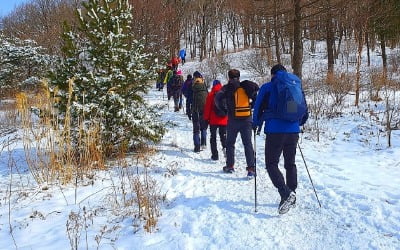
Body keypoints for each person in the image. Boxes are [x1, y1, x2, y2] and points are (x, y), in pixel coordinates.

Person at [252, 64, 308, 214]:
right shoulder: (294, 86)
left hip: (275, 131)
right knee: (290, 164)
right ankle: (292, 193)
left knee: (271, 164)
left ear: (272, 75)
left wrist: (255, 123)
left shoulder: (268, 87)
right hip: (293, 130)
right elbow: (303, 109)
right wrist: (296, 123)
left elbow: (258, 108)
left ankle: (285, 193)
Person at [215, 69, 259, 177]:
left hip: (232, 120)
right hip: (247, 119)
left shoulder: (226, 88)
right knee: (247, 144)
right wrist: (250, 108)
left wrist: (225, 110)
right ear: (239, 77)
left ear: (229, 77)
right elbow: (256, 99)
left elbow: (217, 99)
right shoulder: (246, 87)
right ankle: (251, 169)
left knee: (230, 143)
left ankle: (230, 166)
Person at [203, 80, 227, 160]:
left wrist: (206, 119)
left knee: (213, 137)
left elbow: (207, 109)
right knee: (223, 136)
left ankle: (215, 155)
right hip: (224, 119)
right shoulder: (225, 93)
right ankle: (226, 150)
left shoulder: (211, 94)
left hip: (213, 120)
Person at [191, 71, 208, 152]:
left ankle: (197, 147)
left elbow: (188, 99)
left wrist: (188, 110)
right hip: (204, 110)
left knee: (196, 129)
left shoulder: (193, 87)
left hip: (195, 110)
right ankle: (204, 143)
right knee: (203, 127)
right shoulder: (204, 87)